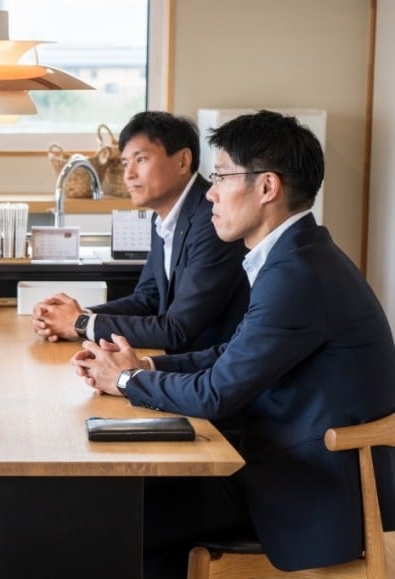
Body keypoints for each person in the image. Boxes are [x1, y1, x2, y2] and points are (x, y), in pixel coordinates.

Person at [70, 110, 395, 577]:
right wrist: (147, 366)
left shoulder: (297, 274)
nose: (210, 191)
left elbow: (217, 392)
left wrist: (124, 379)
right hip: (286, 461)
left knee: (120, 515)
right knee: (135, 501)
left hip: (306, 487)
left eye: (222, 176)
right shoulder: (295, 255)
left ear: (267, 188)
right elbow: (231, 354)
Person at [32, 111, 249, 353]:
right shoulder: (164, 216)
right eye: (125, 163)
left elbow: (178, 330)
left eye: (141, 160)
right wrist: (74, 316)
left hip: (210, 372)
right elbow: (148, 300)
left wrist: (79, 323)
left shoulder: (212, 219)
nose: (128, 174)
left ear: (183, 161)